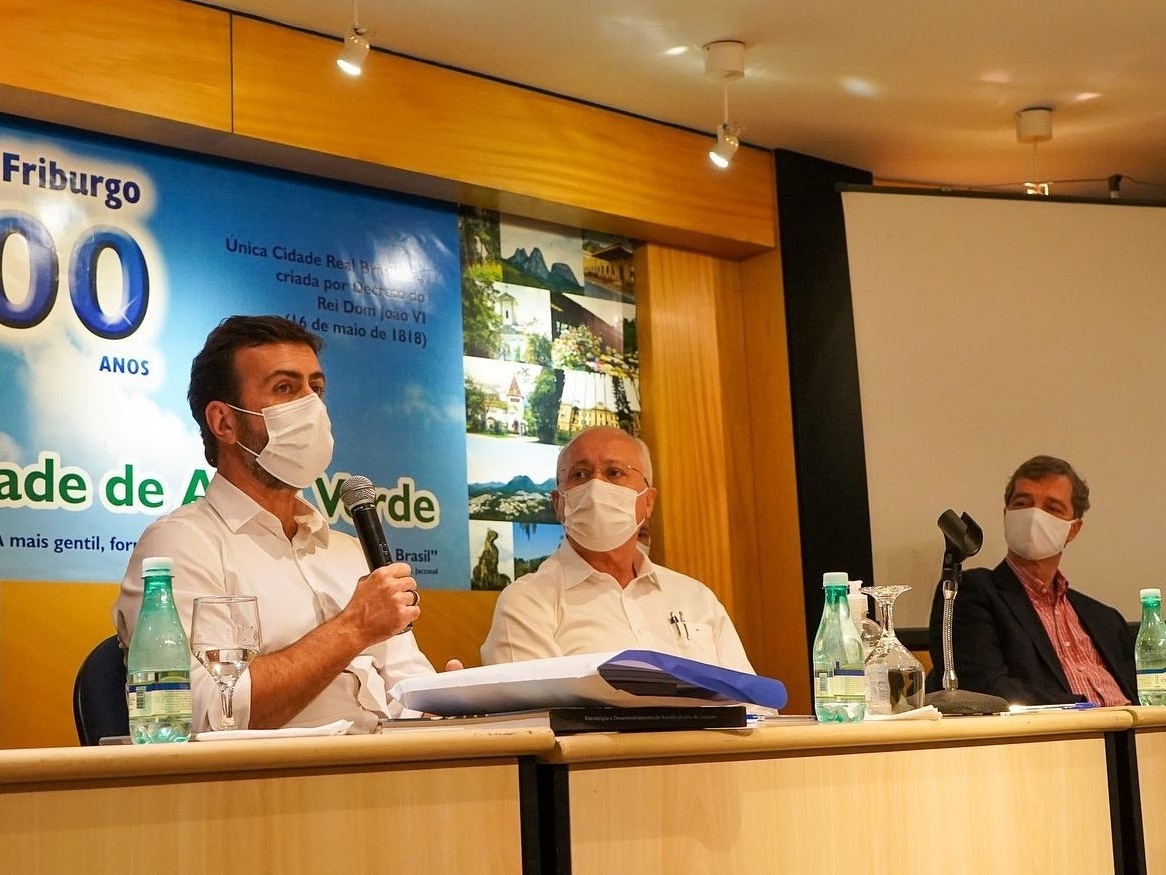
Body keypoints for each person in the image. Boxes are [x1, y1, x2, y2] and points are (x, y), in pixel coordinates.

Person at [114, 315, 445, 733]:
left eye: (317, 389)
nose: (312, 407)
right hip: (269, 789)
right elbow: (200, 715)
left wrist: (442, 700)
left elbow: (407, 683)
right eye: (285, 388)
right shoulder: (179, 546)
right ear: (224, 422)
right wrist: (354, 627)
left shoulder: (345, 551)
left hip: (390, 775)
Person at [480, 426, 755, 673]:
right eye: (580, 474)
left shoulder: (697, 599)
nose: (596, 485)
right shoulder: (527, 603)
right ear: (558, 503)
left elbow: (753, 709)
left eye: (614, 472)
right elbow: (538, 719)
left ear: (647, 501)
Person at [926, 455, 1135, 705]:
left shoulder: (1106, 620)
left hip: (1139, 737)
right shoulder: (971, 594)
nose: (1034, 516)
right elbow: (983, 689)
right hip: (1058, 740)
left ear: (1073, 529)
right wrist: (1088, 708)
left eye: (1052, 508)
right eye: (1023, 503)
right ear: (1006, 515)